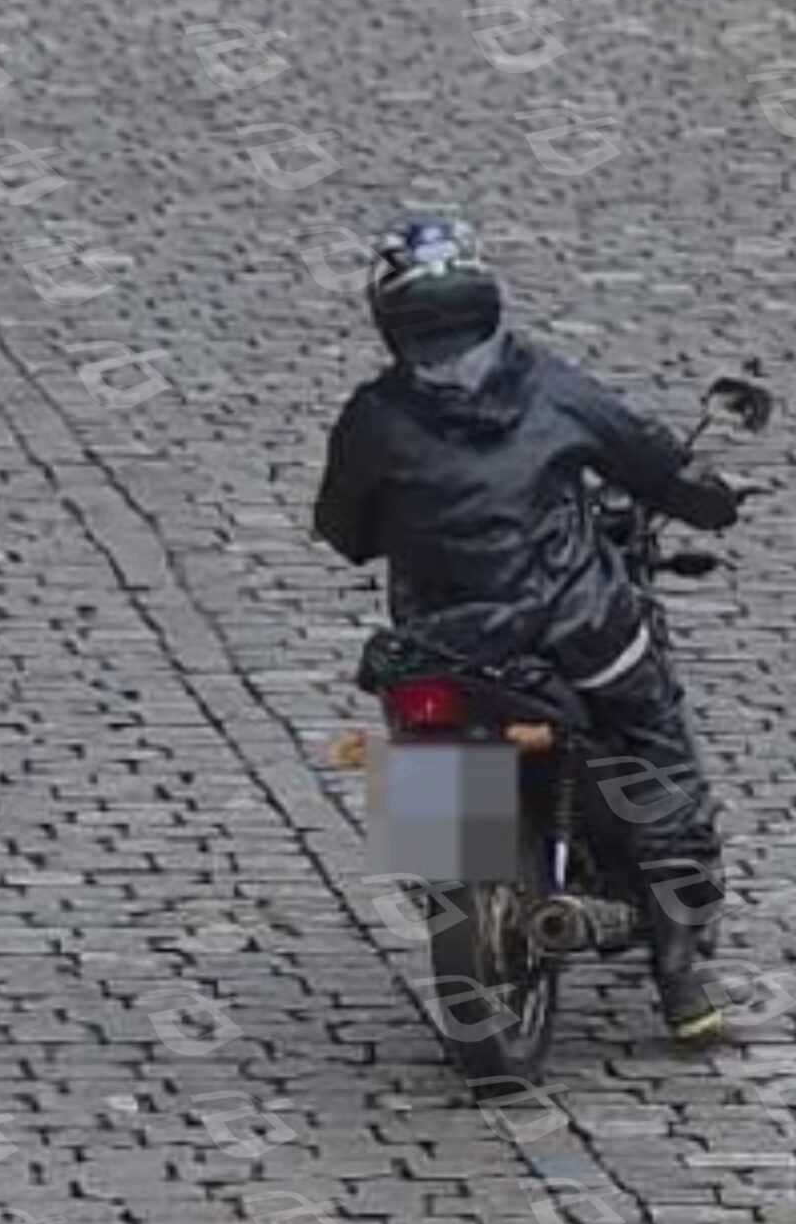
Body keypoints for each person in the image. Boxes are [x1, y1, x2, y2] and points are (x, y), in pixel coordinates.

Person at [313, 212, 740, 1044]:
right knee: (658, 750)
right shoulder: (551, 386)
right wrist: (713, 496)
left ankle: (445, 874)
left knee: (417, 728)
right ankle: (683, 975)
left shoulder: (371, 418)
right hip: (576, 629)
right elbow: (657, 463)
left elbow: (343, 530)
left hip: (442, 643)